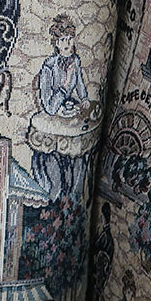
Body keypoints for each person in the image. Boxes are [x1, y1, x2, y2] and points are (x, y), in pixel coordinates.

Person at [31, 14, 91, 200]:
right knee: (56, 164)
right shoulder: (48, 67)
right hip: (52, 120)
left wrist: (84, 98)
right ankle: (55, 196)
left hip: (67, 114)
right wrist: (64, 86)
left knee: (80, 158)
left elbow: (79, 83)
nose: (67, 43)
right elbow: (49, 107)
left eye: (70, 39)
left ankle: (73, 197)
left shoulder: (75, 61)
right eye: (63, 40)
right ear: (56, 43)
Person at [90, 201, 114, 301]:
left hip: (101, 269)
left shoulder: (106, 236)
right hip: (102, 268)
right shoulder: (106, 236)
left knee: (97, 289)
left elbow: (96, 248)